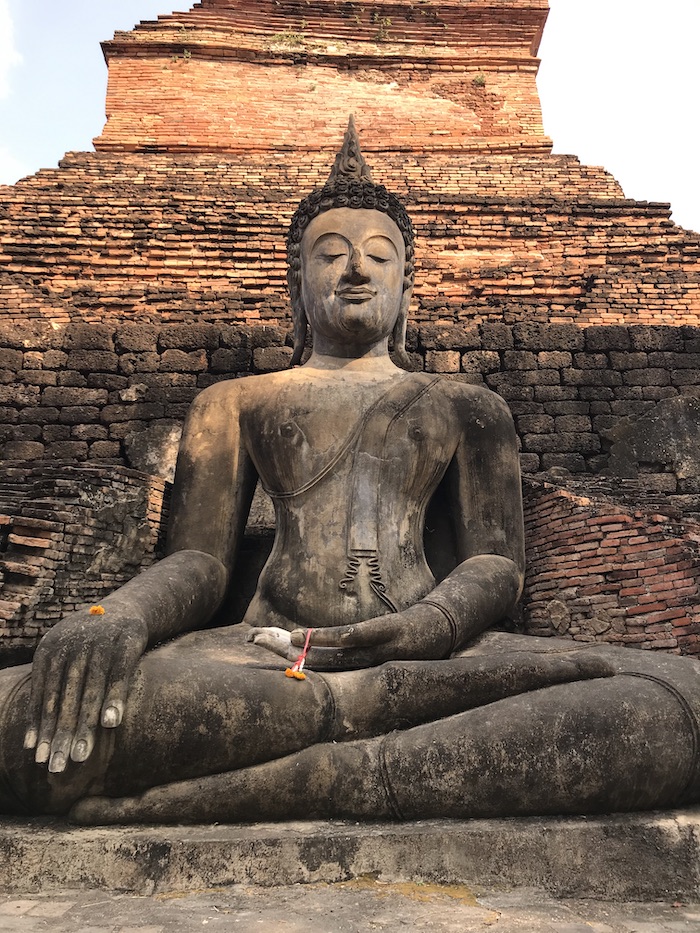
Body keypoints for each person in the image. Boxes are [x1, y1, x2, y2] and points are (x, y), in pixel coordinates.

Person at [1, 120, 699, 824]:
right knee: (38, 711)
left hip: (433, 659)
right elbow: (199, 560)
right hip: (264, 659)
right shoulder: (235, 403)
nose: (355, 270)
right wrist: (116, 614)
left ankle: (320, 770)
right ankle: (369, 749)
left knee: (672, 702)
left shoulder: (469, 407)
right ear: (295, 281)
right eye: (330, 255)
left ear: (407, 281)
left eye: (378, 255)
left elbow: (496, 561)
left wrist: (434, 622)